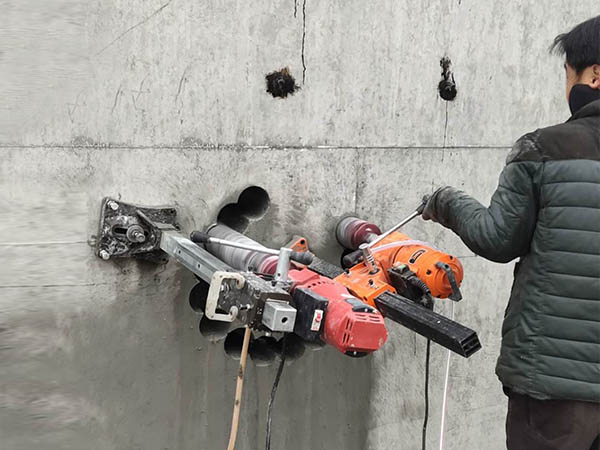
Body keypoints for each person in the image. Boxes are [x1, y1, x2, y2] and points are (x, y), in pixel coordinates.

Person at [422, 16, 600, 450]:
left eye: (567, 74)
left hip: (555, 392)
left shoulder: (545, 149)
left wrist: (445, 201)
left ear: (594, 76)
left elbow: (498, 239)